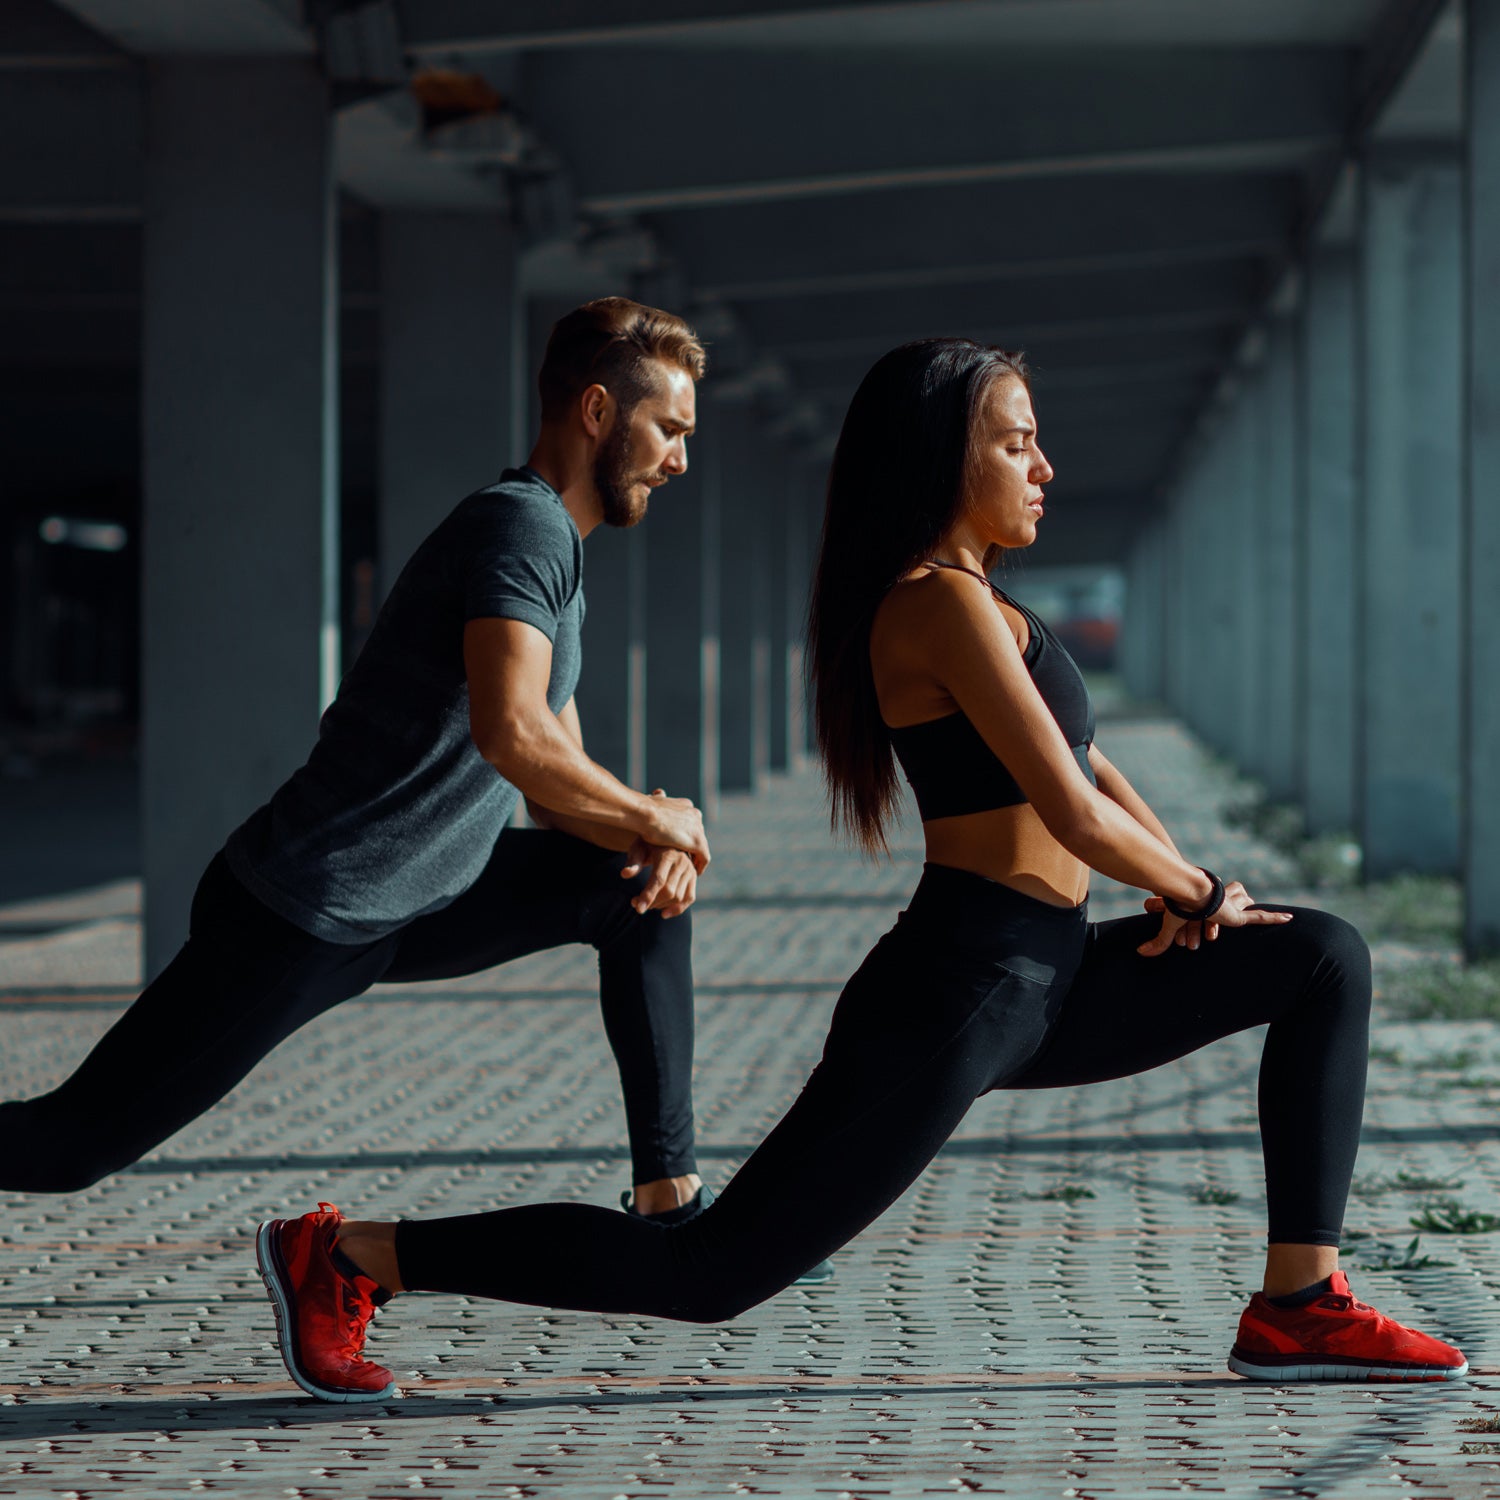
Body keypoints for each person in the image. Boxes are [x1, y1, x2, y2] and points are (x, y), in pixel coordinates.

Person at [254, 337, 1466, 1403]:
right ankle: (353, 1255)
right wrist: (1197, 894)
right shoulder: (931, 606)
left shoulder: (993, 605)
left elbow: (1093, 776)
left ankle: (1298, 1303)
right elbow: (1067, 810)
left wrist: (1191, 885)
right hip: (963, 990)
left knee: (1318, 958)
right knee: (710, 1272)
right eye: (1017, 444)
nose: (1044, 467)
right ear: (946, 459)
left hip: (1054, 979)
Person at [0, 298, 722, 1229]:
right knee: (69, 1147)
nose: (680, 460)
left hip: (422, 896)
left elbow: (555, 785)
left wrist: (650, 837)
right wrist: (656, 818)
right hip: (309, 906)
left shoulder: (559, 557)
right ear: (595, 412)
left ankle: (672, 1203)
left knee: (636, 899)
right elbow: (514, 735)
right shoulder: (521, 530)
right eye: (669, 428)